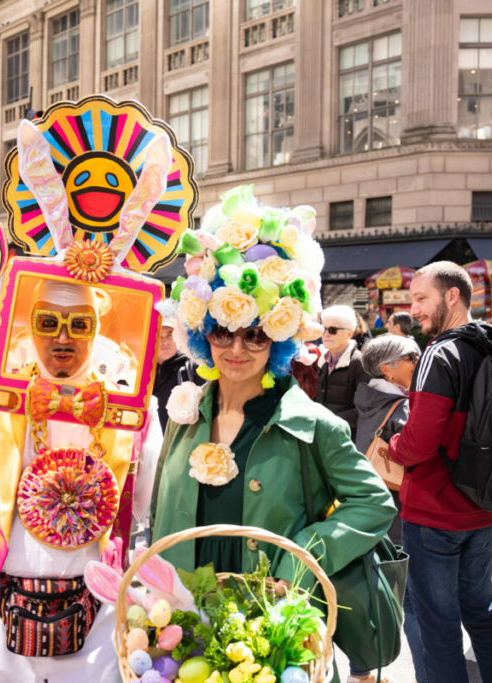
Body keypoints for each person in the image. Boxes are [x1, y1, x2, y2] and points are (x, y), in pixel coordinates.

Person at [151, 188, 395, 683]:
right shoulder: (185, 414)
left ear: (278, 339)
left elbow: (375, 503)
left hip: (274, 633)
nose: (236, 348)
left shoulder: (315, 425)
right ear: (203, 333)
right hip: (187, 629)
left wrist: (302, 560)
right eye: (222, 330)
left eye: (256, 334)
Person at [0, 278, 161, 682]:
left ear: (97, 328)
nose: (63, 337)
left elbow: (147, 507)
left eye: (79, 324)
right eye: (48, 321)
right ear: (28, 323)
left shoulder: (135, 411)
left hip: (99, 616)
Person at [388, 261, 492, 683]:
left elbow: (419, 443)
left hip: (433, 512)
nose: (414, 309)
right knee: (482, 615)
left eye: (422, 298)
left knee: (438, 626)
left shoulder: (439, 354)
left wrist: (392, 446)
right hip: (483, 507)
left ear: (452, 296)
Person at [355, 334, 424, 683]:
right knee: (407, 598)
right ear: (389, 369)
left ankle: (361, 671)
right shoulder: (402, 406)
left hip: (370, 507)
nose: (419, 359)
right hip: (399, 510)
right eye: (411, 356)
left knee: (370, 589)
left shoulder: (368, 399)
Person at [314, 305, 370, 438]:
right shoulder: (322, 362)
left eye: (332, 330)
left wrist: (331, 421)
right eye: (323, 329)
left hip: (350, 440)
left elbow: (365, 409)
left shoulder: (359, 363)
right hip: (325, 437)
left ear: (349, 334)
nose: (326, 334)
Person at [152, 317, 204, 430]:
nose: (165, 342)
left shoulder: (193, 368)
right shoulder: (142, 372)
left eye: (170, 335)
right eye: (159, 336)